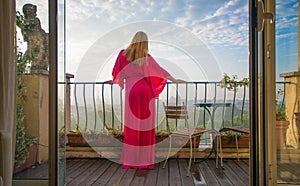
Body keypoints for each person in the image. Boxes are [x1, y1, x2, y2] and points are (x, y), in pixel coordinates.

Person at [106, 31, 185, 171]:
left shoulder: (123, 54)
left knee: (132, 127)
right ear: (145, 43)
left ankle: (130, 160)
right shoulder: (146, 57)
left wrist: (113, 81)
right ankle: (144, 162)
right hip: (145, 93)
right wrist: (174, 79)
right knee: (146, 128)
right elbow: (160, 71)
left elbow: (118, 72)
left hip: (132, 92)